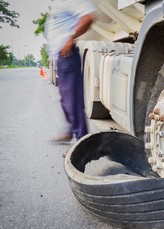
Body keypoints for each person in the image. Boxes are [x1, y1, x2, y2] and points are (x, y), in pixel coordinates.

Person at [45, 0, 96, 145]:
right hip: (60, 58)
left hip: (67, 55)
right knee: (66, 100)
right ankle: (69, 131)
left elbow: (88, 16)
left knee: (72, 102)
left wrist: (71, 37)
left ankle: (83, 144)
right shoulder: (56, 4)